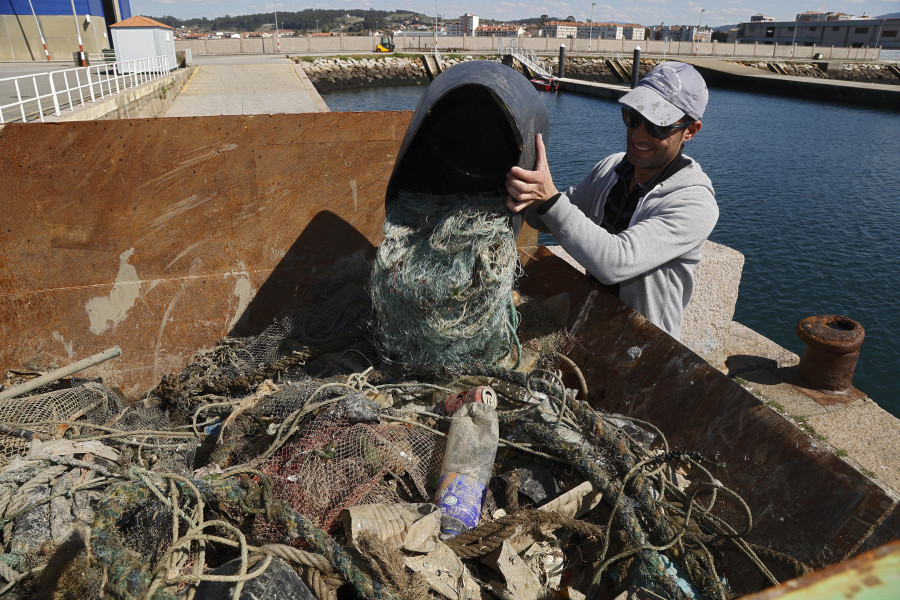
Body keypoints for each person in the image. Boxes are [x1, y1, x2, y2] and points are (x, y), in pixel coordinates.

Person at [505, 61, 718, 340]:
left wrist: (549, 199)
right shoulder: (612, 168)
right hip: (592, 318)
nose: (639, 133)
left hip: (644, 345)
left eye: (658, 126)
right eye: (633, 117)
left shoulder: (694, 203)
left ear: (690, 130)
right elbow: (551, 216)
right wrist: (520, 185)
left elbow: (615, 263)